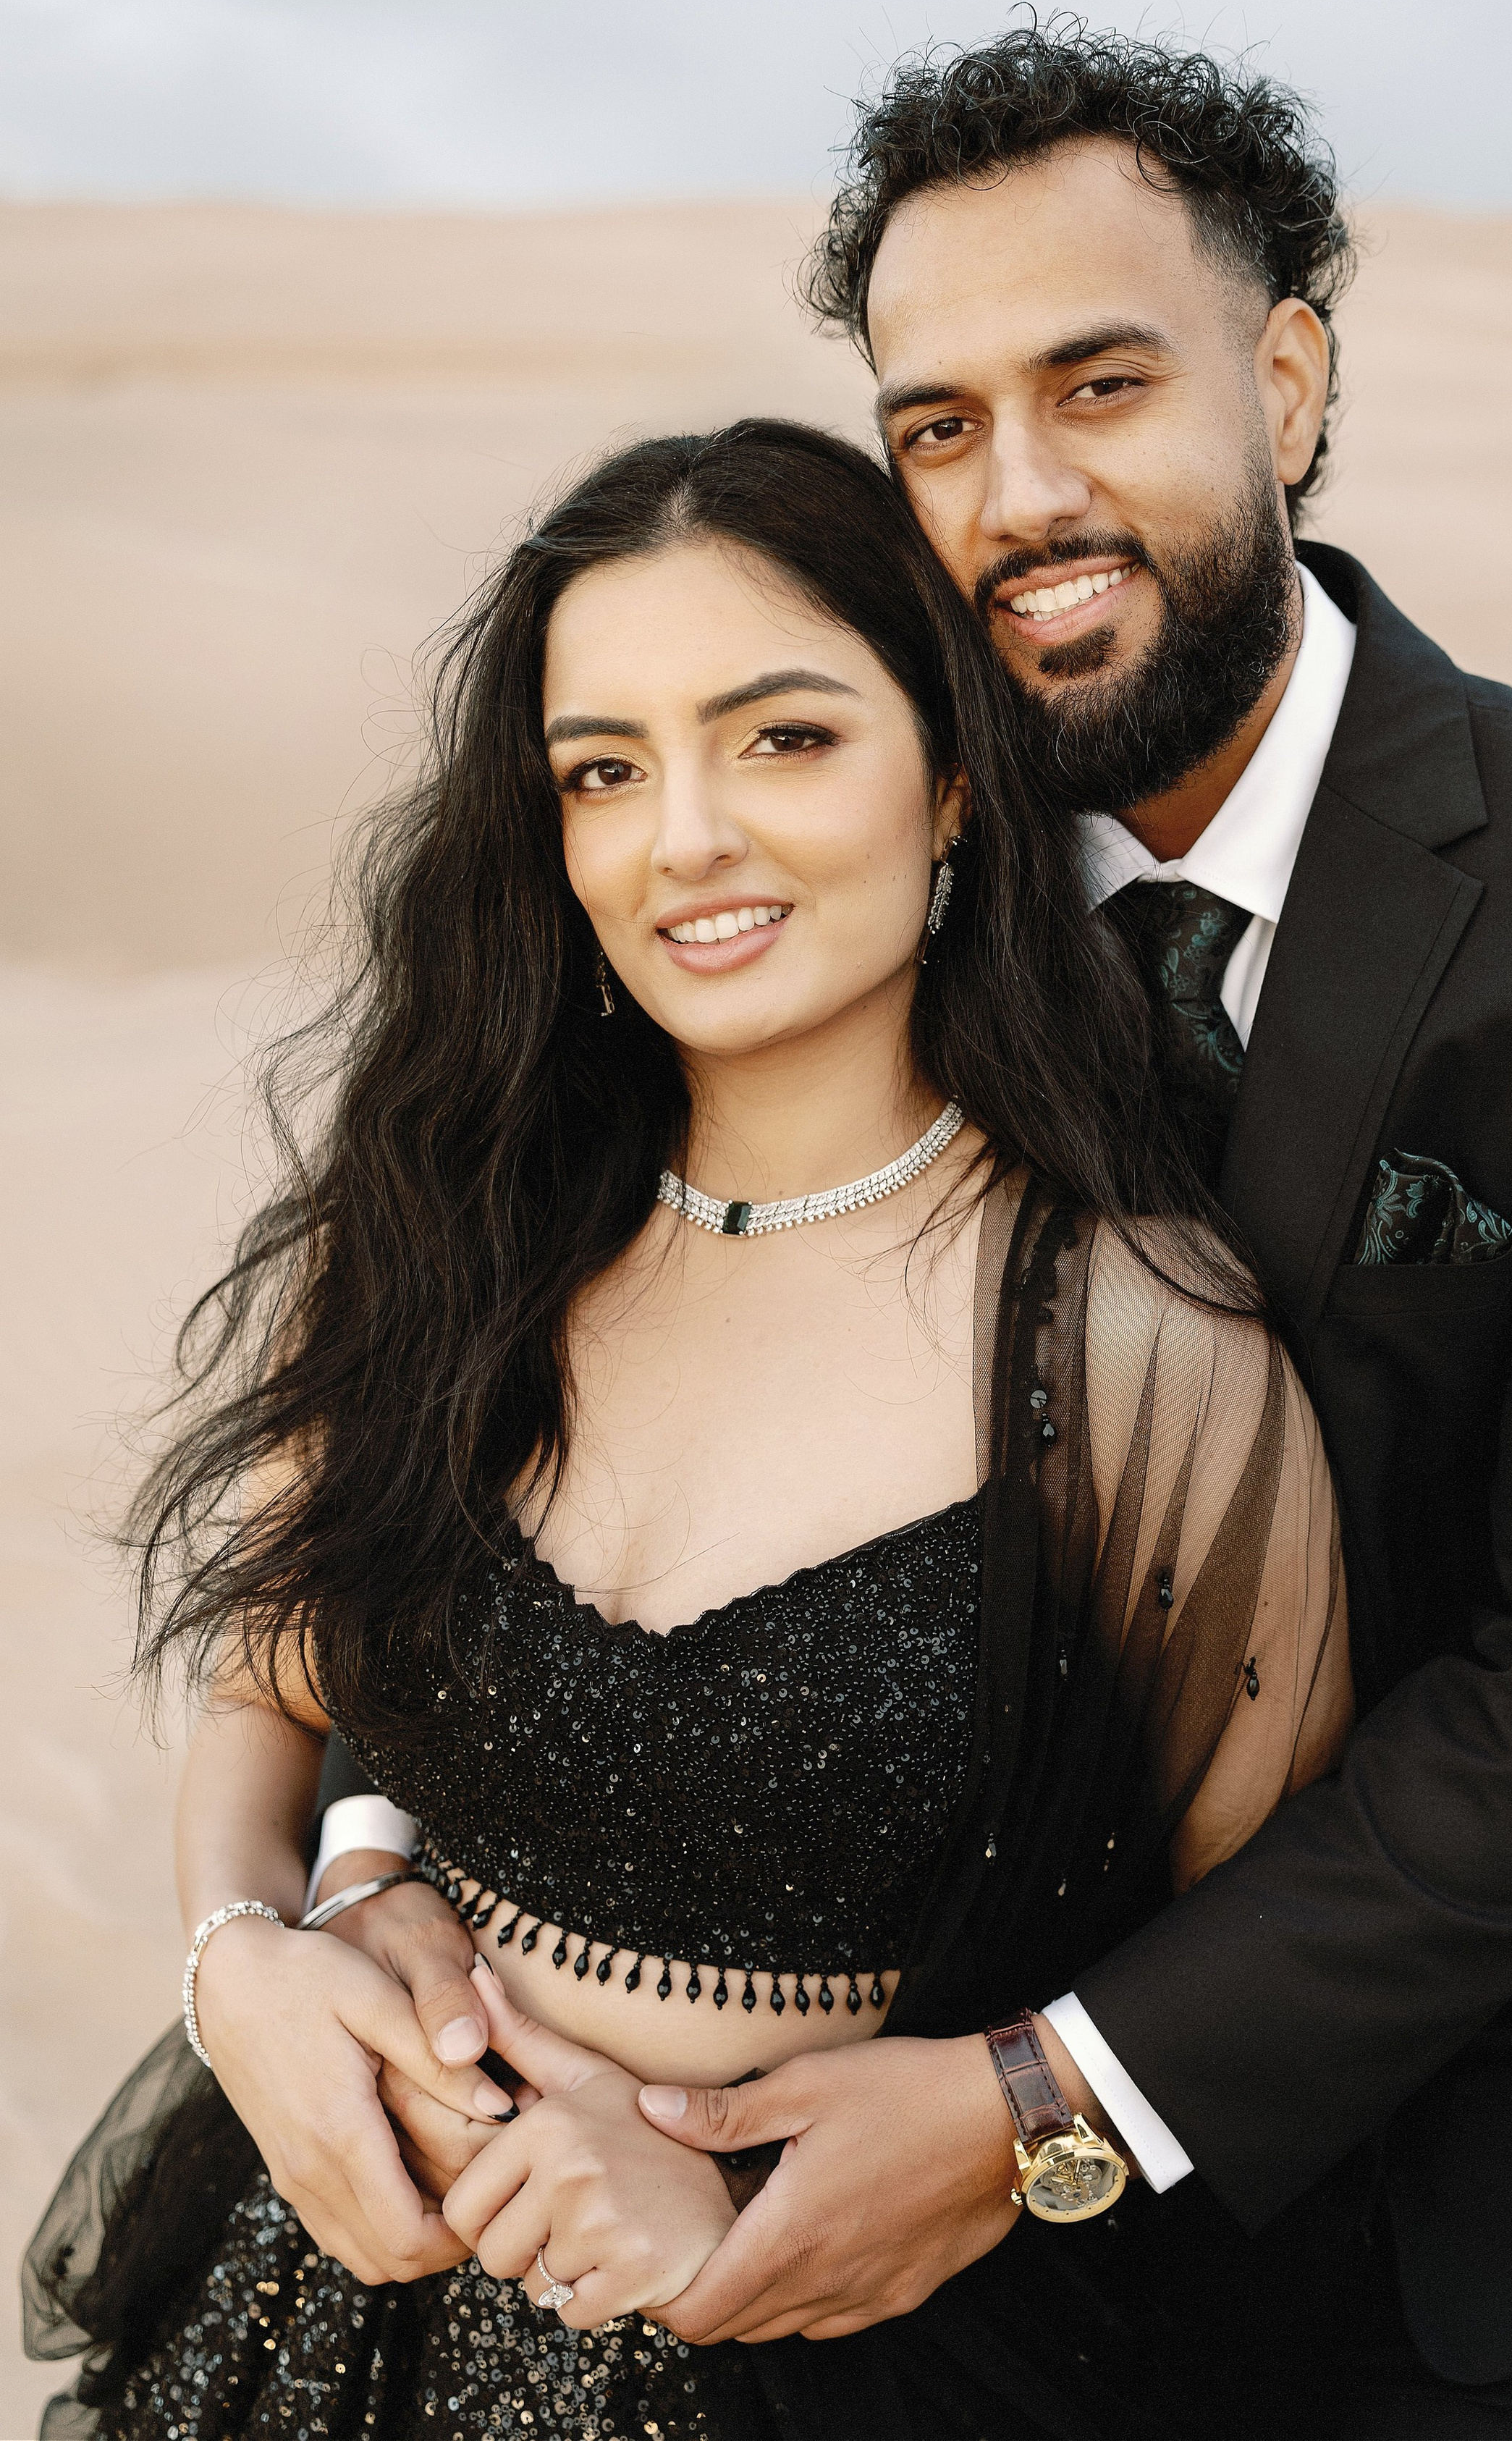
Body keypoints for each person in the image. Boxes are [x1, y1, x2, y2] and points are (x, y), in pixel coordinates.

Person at [315, 25, 1512, 2436]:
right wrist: (355, 1871)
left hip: (1492, 2224)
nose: (1022, 495)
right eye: (937, 425)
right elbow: (548, 1420)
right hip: (903, 2259)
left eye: (1101, 383)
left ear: (1292, 376)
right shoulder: (842, 842)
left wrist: (1050, 2095)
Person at [26, 417, 1353, 2440]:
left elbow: (1255, 1978)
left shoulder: (1137, 1347)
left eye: (785, 739)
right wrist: (243, 1959)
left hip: (867, 2376)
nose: (687, 839)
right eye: (604, 769)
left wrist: (780, 2182)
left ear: (959, 788)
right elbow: (265, 1695)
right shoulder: (445, 1231)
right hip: (329, 2337)